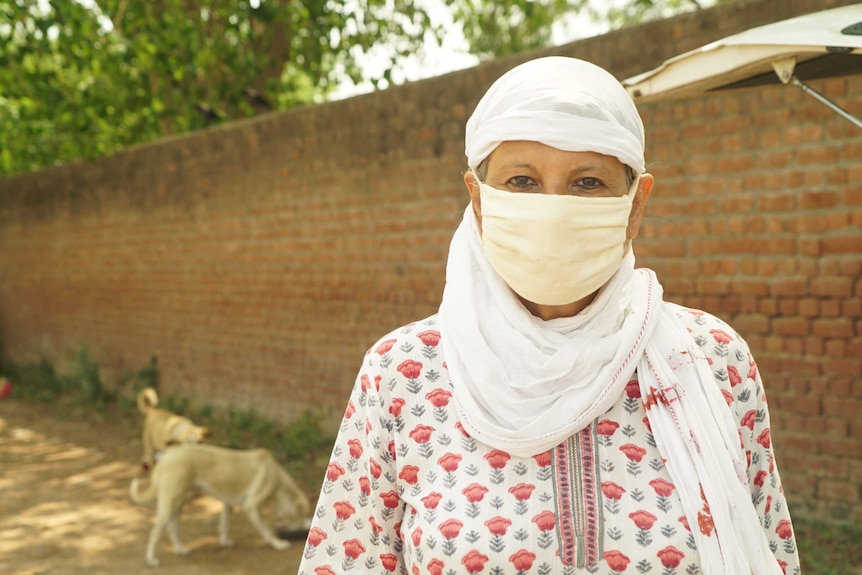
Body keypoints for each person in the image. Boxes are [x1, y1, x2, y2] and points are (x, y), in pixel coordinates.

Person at [297, 56, 800, 575]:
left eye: (588, 182)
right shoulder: (402, 372)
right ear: (477, 198)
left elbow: (771, 552)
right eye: (521, 181)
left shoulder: (711, 357)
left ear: (635, 204)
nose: (554, 208)